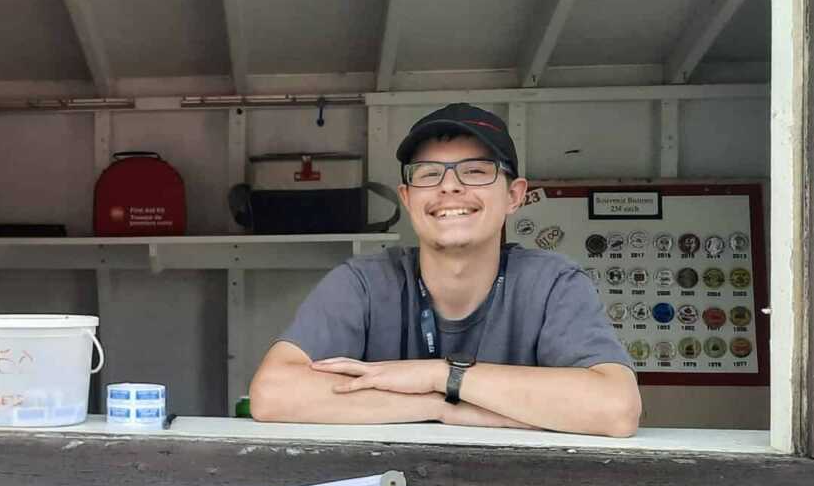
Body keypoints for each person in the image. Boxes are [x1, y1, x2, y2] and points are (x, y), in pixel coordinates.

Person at [248, 103, 639, 436]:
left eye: (475, 170)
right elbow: (273, 393)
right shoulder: (363, 283)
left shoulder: (554, 284)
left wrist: (442, 376)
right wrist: (440, 405)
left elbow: (616, 408)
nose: (449, 188)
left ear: (514, 196)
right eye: (429, 174)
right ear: (407, 198)